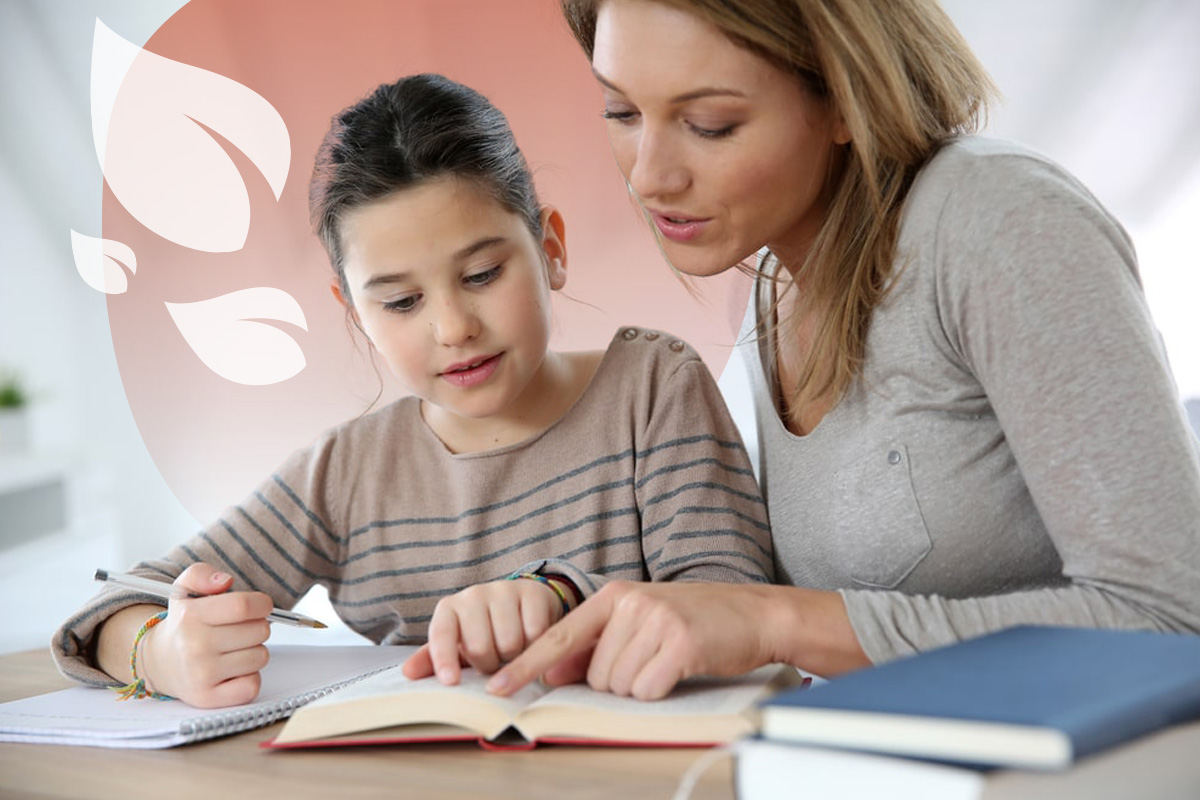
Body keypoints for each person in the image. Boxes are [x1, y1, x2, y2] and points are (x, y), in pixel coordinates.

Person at [484, 0, 1200, 702]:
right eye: (621, 112)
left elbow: (1172, 619)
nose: (649, 176)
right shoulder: (772, 281)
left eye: (710, 125)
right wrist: (557, 597)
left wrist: (781, 622)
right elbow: (726, 600)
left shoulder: (1002, 224)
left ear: (843, 97)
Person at [51, 73, 773, 708]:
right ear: (352, 311)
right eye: (400, 303)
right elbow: (115, 606)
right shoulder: (349, 471)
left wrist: (560, 596)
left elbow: (739, 610)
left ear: (550, 249)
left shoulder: (652, 391)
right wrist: (162, 652)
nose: (454, 327)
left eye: (483, 274)